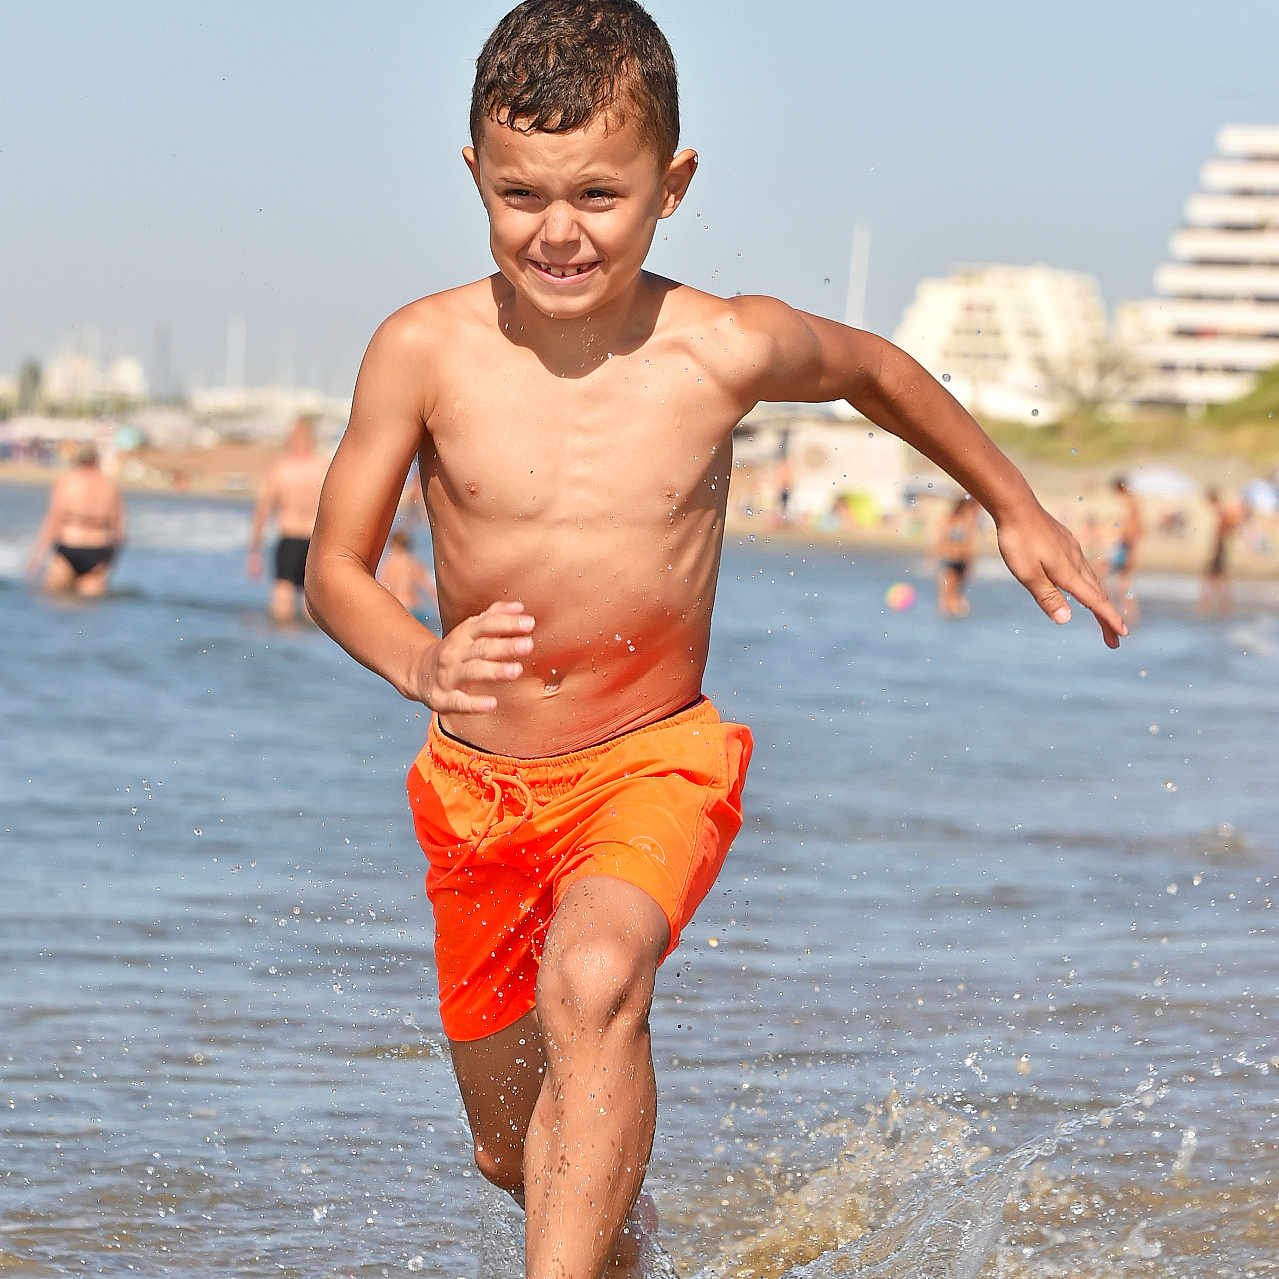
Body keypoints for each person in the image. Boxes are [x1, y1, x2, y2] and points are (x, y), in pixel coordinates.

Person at [303, 5, 1125, 1277]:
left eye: (599, 193)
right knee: (512, 1153)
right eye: (520, 193)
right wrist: (419, 660)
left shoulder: (722, 346)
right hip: (476, 789)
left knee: (593, 980)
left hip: (652, 756)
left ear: (671, 184)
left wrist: (1010, 506)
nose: (558, 229)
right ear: (473, 174)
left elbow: (877, 372)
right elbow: (333, 570)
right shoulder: (421, 351)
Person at [246, 415, 328, 622]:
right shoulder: (323, 467)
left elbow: (262, 511)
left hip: (297, 541)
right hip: (314, 543)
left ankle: (281, 651)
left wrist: (254, 553)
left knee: (282, 611)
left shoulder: (282, 469)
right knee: (312, 612)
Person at [26, 443, 125, 597]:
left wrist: (37, 556)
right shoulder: (110, 485)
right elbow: (119, 527)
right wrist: (111, 559)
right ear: (96, 460)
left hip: (69, 544)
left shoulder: (67, 481)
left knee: (54, 599)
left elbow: (54, 519)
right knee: (90, 610)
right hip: (99, 547)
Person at [1198, 487, 1247, 617]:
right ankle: (1220, 607)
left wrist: (1227, 536)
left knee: (1213, 578)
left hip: (1221, 547)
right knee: (1218, 578)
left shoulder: (1223, 510)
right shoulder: (1223, 509)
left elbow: (1233, 523)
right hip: (1221, 547)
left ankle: (1210, 607)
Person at [933, 494, 981, 618]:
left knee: (957, 589)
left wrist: (971, 564)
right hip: (949, 558)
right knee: (947, 589)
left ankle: (954, 609)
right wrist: (935, 555)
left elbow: (970, 543)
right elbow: (941, 538)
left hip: (963, 559)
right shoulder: (950, 519)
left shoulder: (969, 522)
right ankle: (947, 610)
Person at [1107, 475, 1143, 625]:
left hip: (1126, 545)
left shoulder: (1130, 503)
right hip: (1125, 544)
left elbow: (1133, 529)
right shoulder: (1132, 502)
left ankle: (1129, 615)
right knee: (1121, 582)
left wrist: (1131, 551)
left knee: (1123, 583)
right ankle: (1127, 614)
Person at [378, 528, 438, 617]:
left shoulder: (387, 565)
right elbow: (430, 588)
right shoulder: (413, 563)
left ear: (393, 545)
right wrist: (438, 610)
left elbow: (382, 589)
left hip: (397, 610)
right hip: (415, 609)